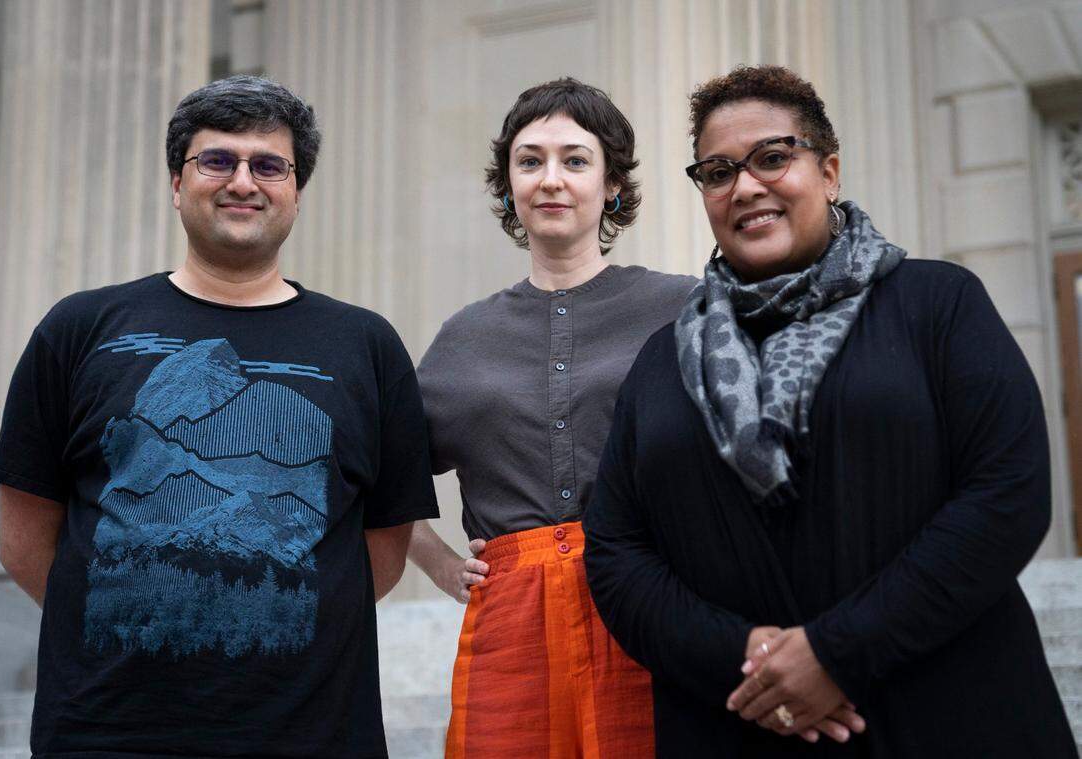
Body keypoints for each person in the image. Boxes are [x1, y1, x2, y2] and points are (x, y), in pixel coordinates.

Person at [584, 64, 1077, 758]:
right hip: (736, 720)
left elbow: (1009, 490)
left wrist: (836, 652)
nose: (745, 187)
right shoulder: (661, 361)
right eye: (718, 172)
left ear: (830, 172)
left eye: (773, 157)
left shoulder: (937, 303)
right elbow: (616, 551)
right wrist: (745, 657)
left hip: (947, 714)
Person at [0, 75, 438, 757]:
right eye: (217, 160)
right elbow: (25, 543)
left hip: (314, 735)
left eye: (269, 165)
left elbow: (382, 546)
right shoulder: (78, 329)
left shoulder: (367, 345)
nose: (243, 182)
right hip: (105, 733)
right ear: (178, 183)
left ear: (296, 191)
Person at [409, 77, 697, 757]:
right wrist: (440, 564)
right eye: (530, 161)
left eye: (575, 159)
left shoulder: (683, 308)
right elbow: (384, 476)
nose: (551, 179)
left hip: (649, 594)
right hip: (509, 620)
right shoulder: (464, 337)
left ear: (612, 183)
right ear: (509, 186)